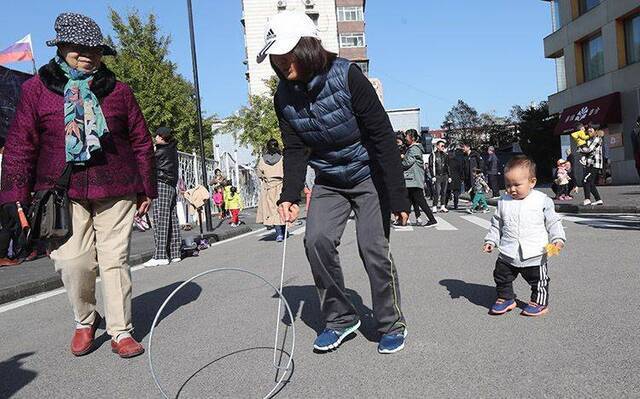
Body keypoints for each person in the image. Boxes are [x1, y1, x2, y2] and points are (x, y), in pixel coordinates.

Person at [0, 13, 157, 358]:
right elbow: (20, 146)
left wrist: (146, 188)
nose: (87, 54)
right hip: (59, 192)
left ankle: (120, 331)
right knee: (74, 262)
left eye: (95, 49)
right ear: (62, 47)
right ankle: (85, 320)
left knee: (115, 260)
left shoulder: (119, 91)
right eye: (78, 47)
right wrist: (13, 197)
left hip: (116, 188)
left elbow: (142, 141)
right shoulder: (35, 91)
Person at [260, 11, 410, 354]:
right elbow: (295, 148)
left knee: (372, 248)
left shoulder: (347, 76)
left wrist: (398, 197)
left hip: (367, 173)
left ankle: (390, 322)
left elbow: (383, 137)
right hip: (329, 178)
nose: (281, 63)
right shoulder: (283, 97)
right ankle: (340, 318)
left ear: (307, 46)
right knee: (316, 241)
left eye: (287, 53)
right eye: (276, 56)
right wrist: (290, 194)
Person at [483, 156, 566, 317]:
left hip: (534, 252)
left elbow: (553, 222)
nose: (512, 189)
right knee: (501, 275)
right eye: (508, 185)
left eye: (517, 185)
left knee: (538, 281)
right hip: (508, 251)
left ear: (532, 182)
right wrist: (491, 240)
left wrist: (557, 239)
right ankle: (505, 297)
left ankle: (539, 302)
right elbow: (496, 224)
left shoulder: (541, 200)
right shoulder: (503, 201)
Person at [144, 127, 182, 267]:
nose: (155, 138)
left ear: (161, 137)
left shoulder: (160, 150)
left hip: (161, 183)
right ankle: (175, 252)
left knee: (160, 218)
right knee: (172, 218)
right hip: (172, 185)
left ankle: (160, 255)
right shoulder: (172, 149)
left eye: (157, 136)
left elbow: (148, 164)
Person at [402, 130, 437, 227]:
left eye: (407, 136)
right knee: (409, 200)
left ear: (412, 138)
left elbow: (407, 162)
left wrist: (401, 159)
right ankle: (403, 220)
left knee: (420, 200)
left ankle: (432, 219)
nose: (405, 138)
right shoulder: (413, 148)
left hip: (413, 179)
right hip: (412, 178)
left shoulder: (414, 149)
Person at [256, 139, 286, 241]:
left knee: (272, 210)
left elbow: (259, 173)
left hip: (268, 186)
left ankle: (279, 233)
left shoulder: (263, 159)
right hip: (281, 185)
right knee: (281, 207)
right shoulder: (282, 158)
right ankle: (283, 229)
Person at [580, 128, 604, 206]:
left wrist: (581, 148)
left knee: (585, 180)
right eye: (588, 130)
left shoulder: (598, 139)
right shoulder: (590, 140)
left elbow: (589, 149)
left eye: (591, 130)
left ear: (596, 131)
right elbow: (587, 152)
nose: (589, 131)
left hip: (595, 164)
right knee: (591, 182)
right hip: (590, 163)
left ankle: (587, 199)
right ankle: (598, 199)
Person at [428, 138, 450, 213]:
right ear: (437, 146)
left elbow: (447, 166)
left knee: (444, 192)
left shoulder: (445, 155)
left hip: (445, 175)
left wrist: (449, 176)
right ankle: (434, 206)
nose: (443, 147)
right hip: (437, 175)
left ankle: (443, 206)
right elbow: (430, 166)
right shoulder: (433, 155)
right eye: (442, 146)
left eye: (444, 146)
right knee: (437, 192)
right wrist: (433, 176)